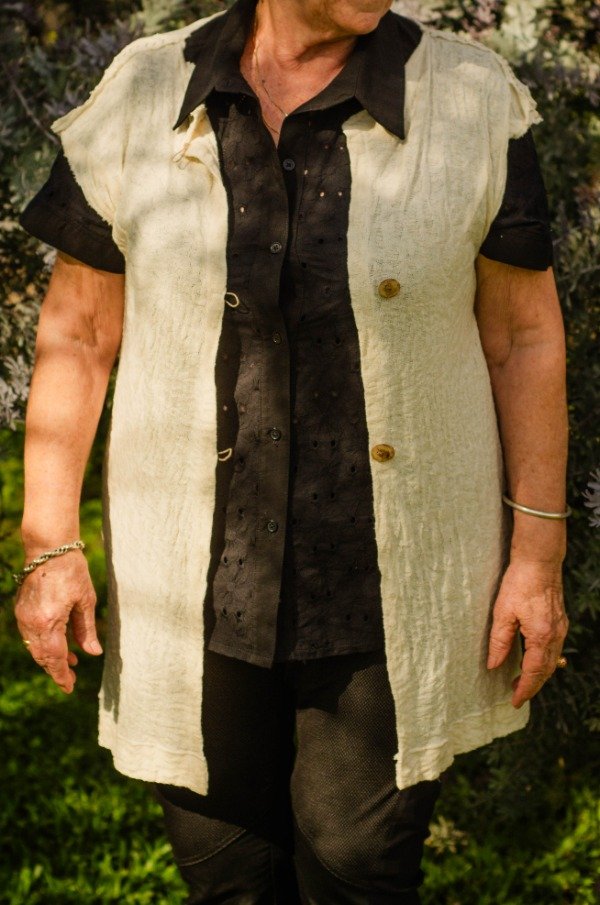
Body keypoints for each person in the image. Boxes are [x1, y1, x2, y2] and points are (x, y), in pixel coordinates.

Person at [14, 0, 570, 901]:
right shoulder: (146, 89)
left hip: (387, 586)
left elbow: (523, 337)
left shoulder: (469, 99)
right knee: (225, 876)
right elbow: (78, 334)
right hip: (190, 588)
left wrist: (537, 556)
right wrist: (50, 544)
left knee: (359, 870)